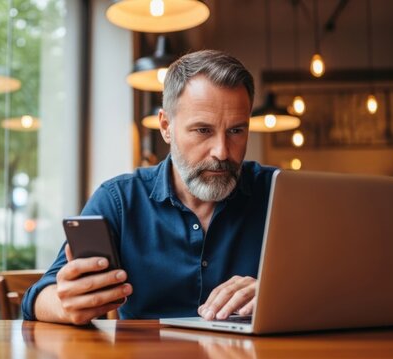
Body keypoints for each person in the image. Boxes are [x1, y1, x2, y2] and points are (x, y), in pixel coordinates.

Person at [22, 50, 277, 325]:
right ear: (166, 126)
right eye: (203, 130)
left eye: (236, 131)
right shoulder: (119, 200)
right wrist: (64, 303)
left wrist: (275, 293)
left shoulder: (279, 194)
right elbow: (37, 297)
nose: (222, 152)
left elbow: (329, 282)